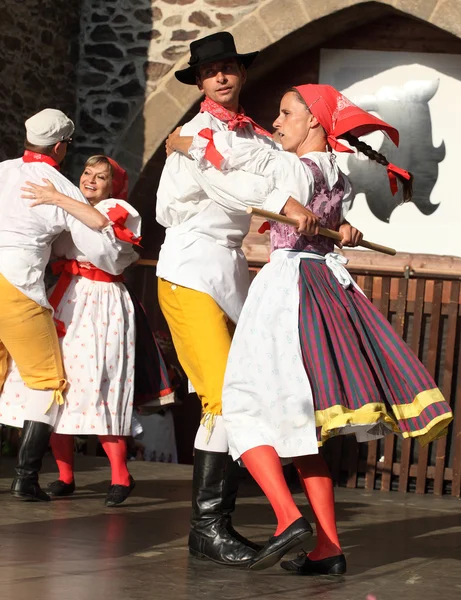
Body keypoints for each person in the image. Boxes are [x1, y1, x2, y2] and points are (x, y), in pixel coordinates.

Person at [167, 84, 453, 572]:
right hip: (322, 281)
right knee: (301, 431)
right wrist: (342, 229)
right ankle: (329, 548)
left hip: (289, 287)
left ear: (315, 123)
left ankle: (286, 518)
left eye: (285, 113)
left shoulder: (293, 167)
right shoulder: (334, 173)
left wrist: (187, 144)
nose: (275, 122)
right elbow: (315, 212)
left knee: (238, 407)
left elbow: (236, 169)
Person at [156, 31, 317, 567]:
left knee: (240, 395)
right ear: (200, 81)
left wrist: (335, 198)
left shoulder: (258, 138)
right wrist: (284, 201)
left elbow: (292, 172)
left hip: (230, 270)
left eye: (229, 67)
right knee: (223, 397)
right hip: (190, 265)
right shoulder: (194, 134)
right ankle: (209, 526)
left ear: (241, 74)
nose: (221, 76)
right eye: (210, 71)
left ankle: (212, 528)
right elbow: (232, 189)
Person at [0, 154, 175, 506]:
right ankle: (65, 475)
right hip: (67, 296)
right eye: (87, 173)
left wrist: (64, 203)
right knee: (57, 385)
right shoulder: (70, 206)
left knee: (99, 384)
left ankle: (120, 476)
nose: (90, 180)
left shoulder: (118, 210)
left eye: (101, 177)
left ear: (114, 186)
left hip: (102, 302)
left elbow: (104, 252)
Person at [0, 109, 134, 502]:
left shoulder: (3, 169)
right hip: (17, 288)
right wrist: (66, 202)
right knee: (48, 381)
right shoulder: (58, 185)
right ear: (60, 147)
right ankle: (25, 477)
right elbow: (98, 239)